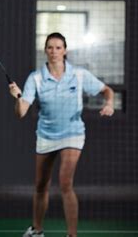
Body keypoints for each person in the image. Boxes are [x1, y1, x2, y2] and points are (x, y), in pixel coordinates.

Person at [8, 32, 114, 237]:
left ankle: (72, 235)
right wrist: (17, 97)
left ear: (65, 51)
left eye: (58, 47)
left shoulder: (80, 74)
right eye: (50, 47)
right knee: (41, 185)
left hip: (73, 133)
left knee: (65, 182)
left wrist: (109, 103)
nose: (54, 51)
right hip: (46, 135)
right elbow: (21, 112)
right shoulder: (36, 78)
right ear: (45, 51)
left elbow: (107, 90)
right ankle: (37, 230)